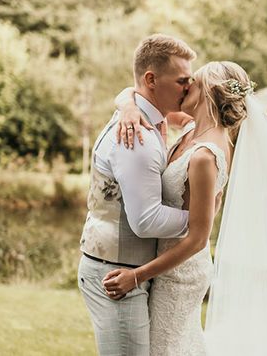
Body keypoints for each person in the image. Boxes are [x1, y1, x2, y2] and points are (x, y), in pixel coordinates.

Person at [104, 60, 267, 355]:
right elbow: (139, 95)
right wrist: (127, 107)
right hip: (168, 262)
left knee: (166, 348)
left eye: (192, 81)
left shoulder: (205, 156)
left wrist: (137, 276)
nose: (185, 86)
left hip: (180, 273)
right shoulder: (191, 129)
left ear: (208, 92)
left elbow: (199, 238)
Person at [78, 34, 197, 356]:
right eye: (182, 81)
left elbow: (130, 93)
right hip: (116, 275)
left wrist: (127, 99)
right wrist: (200, 220)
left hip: (126, 268)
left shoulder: (148, 119)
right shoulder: (137, 137)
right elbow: (146, 221)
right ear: (151, 79)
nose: (189, 88)